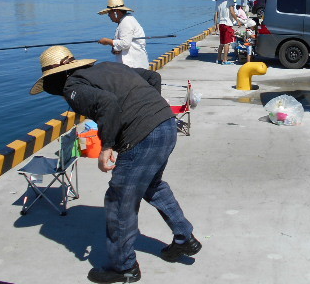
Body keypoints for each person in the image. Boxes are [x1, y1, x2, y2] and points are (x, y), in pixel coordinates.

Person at [30, 45, 201, 283]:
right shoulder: (106, 67)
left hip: (145, 136)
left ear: (56, 78)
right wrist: (149, 109)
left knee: (119, 200)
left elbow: (107, 104)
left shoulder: (72, 87)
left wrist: (107, 146)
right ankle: (184, 238)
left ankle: (124, 268)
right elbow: (153, 76)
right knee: (153, 186)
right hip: (167, 124)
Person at [98, 0, 149, 69]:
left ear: (116, 12)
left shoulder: (126, 22)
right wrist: (115, 49)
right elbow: (123, 42)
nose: (108, 15)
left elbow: (125, 44)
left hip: (134, 66)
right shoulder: (125, 20)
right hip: (131, 66)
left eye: (109, 13)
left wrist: (107, 41)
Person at [215, 0, 243, 65]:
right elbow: (232, 12)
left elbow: (216, 14)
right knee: (227, 43)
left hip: (221, 23)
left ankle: (218, 59)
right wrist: (238, 20)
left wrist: (216, 24)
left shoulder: (218, 1)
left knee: (222, 42)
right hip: (228, 23)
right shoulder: (230, 0)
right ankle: (225, 60)